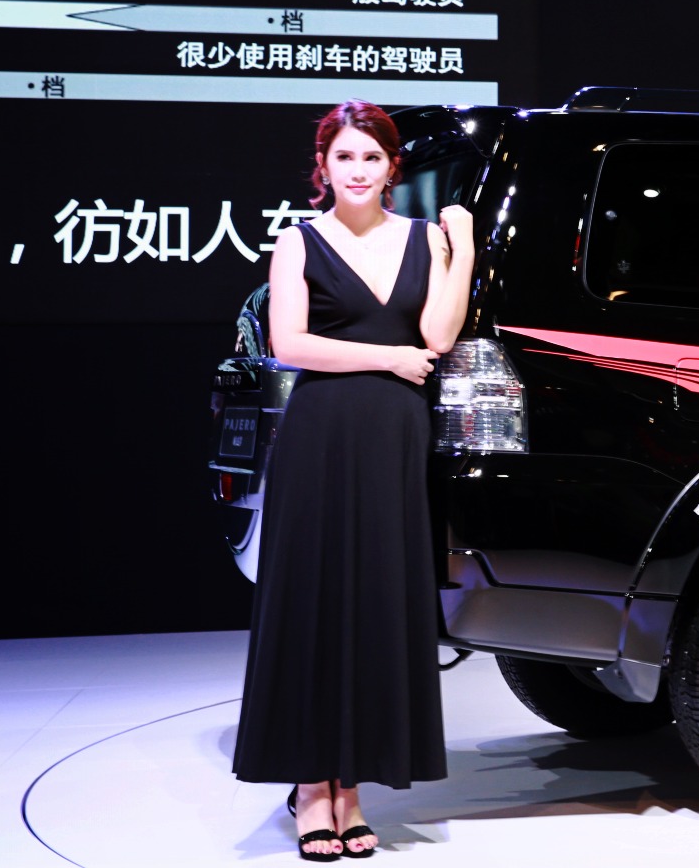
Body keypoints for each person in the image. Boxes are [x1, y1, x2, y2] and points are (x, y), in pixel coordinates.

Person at [232, 101, 474, 860]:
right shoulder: (298, 241)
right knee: (313, 602)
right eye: (345, 157)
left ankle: (353, 791)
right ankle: (312, 787)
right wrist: (387, 358)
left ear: (392, 166)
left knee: (376, 606)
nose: (359, 171)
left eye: (371, 157)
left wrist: (463, 246)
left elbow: (438, 335)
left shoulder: (424, 239)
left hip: (395, 438)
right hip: (321, 435)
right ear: (324, 166)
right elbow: (290, 343)